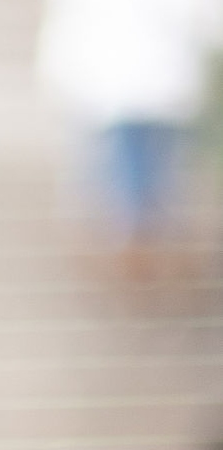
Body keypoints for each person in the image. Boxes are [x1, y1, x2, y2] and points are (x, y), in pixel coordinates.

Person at [39, 0, 223, 264]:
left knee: (142, 178)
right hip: (144, 88)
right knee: (147, 178)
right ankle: (143, 242)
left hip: (138, 88)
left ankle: (142, 242)